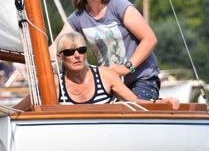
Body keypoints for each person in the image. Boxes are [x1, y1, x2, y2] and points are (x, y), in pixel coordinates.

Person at [54, 0, 161, 100]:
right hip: (110, 83)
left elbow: (150, 39)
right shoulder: (78, 18)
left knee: (132, 110)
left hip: (140, 79)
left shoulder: (119, 6)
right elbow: (57, 47)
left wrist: (126, 68)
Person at [16, 33, 178, 109]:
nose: (77, 55)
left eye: (81, 50)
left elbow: (134, 102)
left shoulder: (105, 76)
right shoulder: (53, 84)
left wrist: (158, 102)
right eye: (70, 52)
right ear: (60, 57)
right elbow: (18, 110)